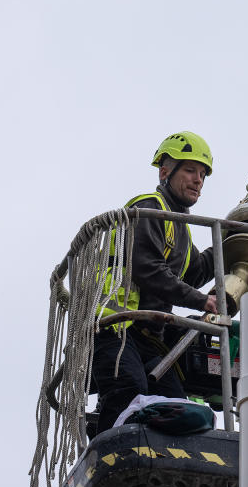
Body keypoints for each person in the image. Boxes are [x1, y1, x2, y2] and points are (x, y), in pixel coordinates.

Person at [88, 131, 219, 438]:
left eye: (202, 174)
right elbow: (149, 270)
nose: (198, 180)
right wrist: (202, 302)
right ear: (165, 171)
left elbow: (194, 272)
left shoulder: (181, 229)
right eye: (189, 170)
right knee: (126, 389)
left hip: (146, 336)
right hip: (115, 324)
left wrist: (231, 243)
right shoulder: (149, 206)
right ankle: (109, 454)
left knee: (176, 402)